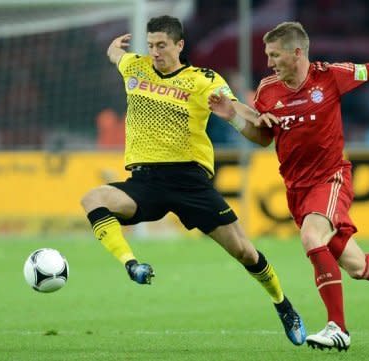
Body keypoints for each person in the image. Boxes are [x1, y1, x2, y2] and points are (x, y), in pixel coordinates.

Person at [208, 21, 369, 352]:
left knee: (312, 237)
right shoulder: (267, 90)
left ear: (296, 53)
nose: (268, 62)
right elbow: (264, 138)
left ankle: (338, 328)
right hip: (297, 189)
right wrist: (234, 118)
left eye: (274, 54)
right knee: (357, 266)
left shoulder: (330, 75)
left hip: (331, 177)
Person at [80, 16, 306, 346]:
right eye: (151, 45)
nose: (155, 52)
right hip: (146, 182)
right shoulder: (135, 67)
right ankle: (132, 266)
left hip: (190, 181)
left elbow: (234, 105)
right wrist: (112, 49)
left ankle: (284, 306)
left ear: (179, 45)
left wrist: (259, 117)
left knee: (244, 252)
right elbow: (118, 56)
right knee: (92, 199)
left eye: (162, 45)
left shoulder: (202, 79)